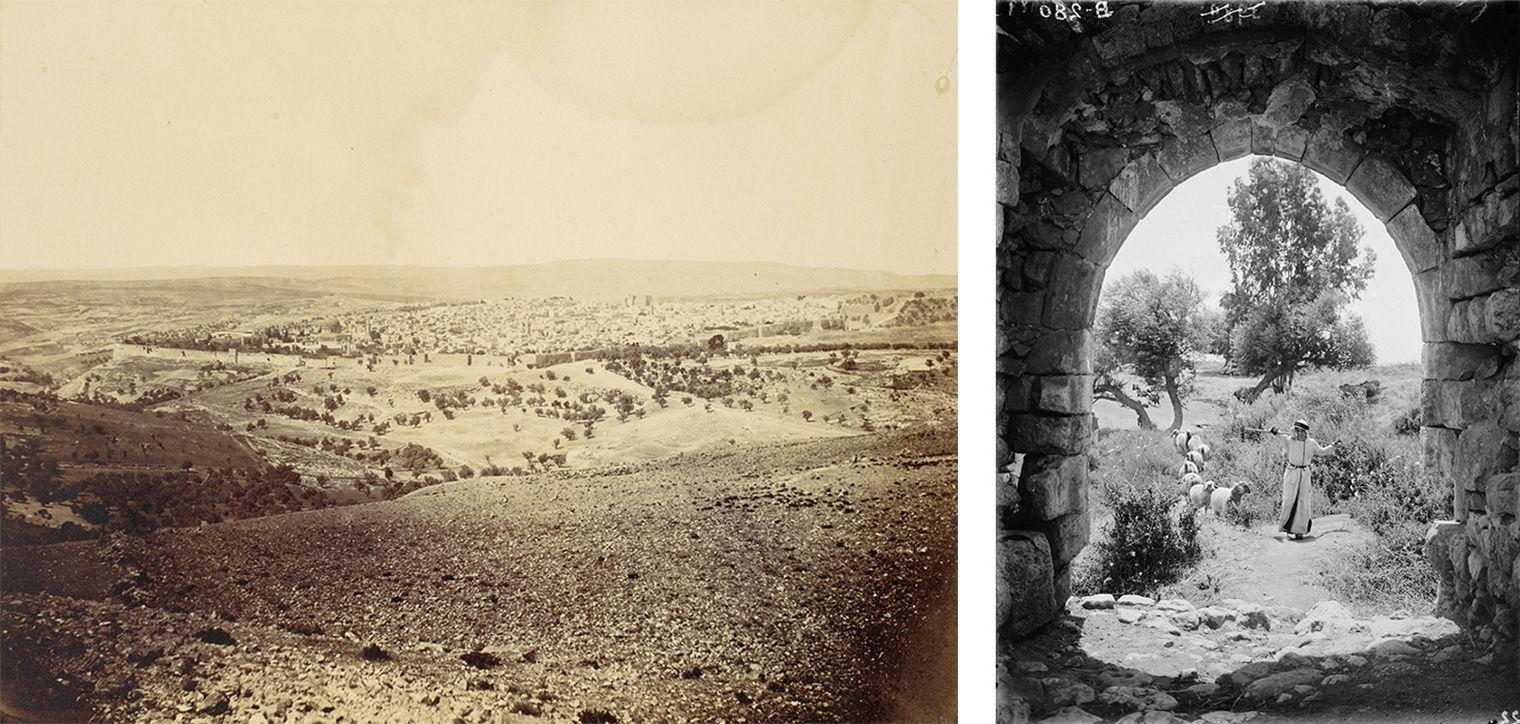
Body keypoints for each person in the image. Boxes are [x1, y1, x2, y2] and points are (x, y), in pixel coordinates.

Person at [1268, 419, 1337, 540]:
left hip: (1305, 474)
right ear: (1294, 431)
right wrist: (1275, 431)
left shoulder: (1312, 443)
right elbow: (1279, 434)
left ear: (1306, 432)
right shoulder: (1289, 441)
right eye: (1297, 431)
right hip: (1291, 473)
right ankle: (1287, 528)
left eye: (1302, 431)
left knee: (1302, 501)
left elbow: (1322, 452)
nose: (1300, 434)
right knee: (1289, 500)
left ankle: (1299, 531)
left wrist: (1333, 446)